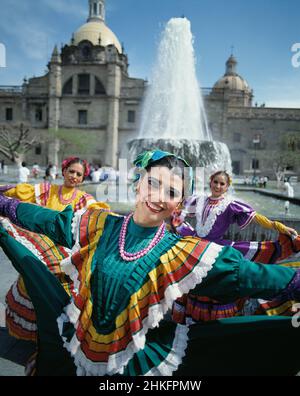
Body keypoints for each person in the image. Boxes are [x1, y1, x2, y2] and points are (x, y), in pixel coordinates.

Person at [0, 150, 299, 376]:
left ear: (179, 204)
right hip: (77, 344)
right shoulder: (96, 223)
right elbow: (44, 219)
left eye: (171, 192)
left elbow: (252, 275)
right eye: (152, 183)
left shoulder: (185, 253)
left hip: (133, 363)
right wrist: (5, 204)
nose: (158, 197)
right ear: (137, 184)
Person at [171, 170, 300, 323]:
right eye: (215, 182)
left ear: (227, 187)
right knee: (193, 280)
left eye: (222, 184)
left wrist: (277, 226)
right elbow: (180, 205)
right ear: (210, 182)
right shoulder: (199, 201)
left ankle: (214, 321)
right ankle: (192, 317)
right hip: (195, 246)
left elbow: (255, 217)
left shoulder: (231, 205)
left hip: (216, 250)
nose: (218, 186)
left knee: (217, 281)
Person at [0, 157, 101, 347]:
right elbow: (18, 193)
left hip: (65, 261)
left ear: (82, 178)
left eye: (79, 174)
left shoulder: (85, 201)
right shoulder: (47, 190)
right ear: (63, 171)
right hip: (38, 253)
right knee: (31, 287)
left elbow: (97, 219)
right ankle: (35, 336)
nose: (74, 176)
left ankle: (53, 338)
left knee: (56, 296)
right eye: (71, 171)